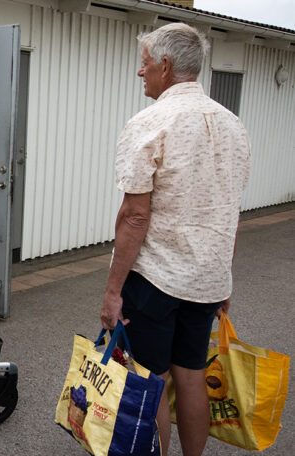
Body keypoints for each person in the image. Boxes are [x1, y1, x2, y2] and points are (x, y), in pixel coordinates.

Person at [99, 23, 250, 456]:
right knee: (192, 373)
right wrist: (224, 280)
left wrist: (112, 291)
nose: (139, 72)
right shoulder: (234, 125)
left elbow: (134, 216)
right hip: (206, 280)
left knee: (151, 380)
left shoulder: (150, 122)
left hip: (156, 279)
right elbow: (228, 211)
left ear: (164, 66)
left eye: (144, 63)